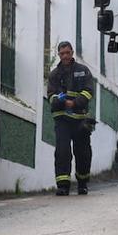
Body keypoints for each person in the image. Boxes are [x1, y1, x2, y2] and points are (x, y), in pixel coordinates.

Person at [46, 41, 96, 195]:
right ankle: (63, 185)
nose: (65, 56)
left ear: (72, 52)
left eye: (67, 52)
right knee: (62, 151)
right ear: (59, 55)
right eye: (62, 53)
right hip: (62, 119)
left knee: (83, 152)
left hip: (80, 118)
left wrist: (74, 103)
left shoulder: (83, 71)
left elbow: (88, 91)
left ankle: (82, 183)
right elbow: (50, 96)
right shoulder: (54, 75)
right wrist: (59, 101)